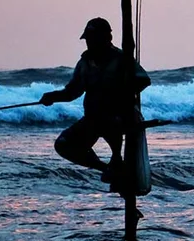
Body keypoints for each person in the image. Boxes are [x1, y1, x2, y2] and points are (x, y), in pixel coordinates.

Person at [40, 17, 151, 190]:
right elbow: (72, 92)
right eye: (88, 39)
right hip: (92, 118)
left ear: (106, 38)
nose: (90, 43)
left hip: (118, 117)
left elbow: (143, 80)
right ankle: (106, 168)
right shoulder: (85, 63)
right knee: (63, 144)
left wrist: (120, 92)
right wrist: (52, 97)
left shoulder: (122, 59)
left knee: (112, 127)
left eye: (94, 38)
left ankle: (116, 162)